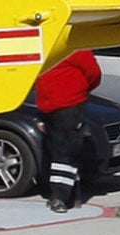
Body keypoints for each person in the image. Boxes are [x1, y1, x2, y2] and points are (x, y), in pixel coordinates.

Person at [34, 48, 101, 212]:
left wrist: (79, 91)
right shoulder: (43, 45)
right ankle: (73, 195)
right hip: (49, 107)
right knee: (61, 150)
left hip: (70, 105)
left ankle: (60, 197)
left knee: (64, 151)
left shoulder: (73, 46)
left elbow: (94, 73)